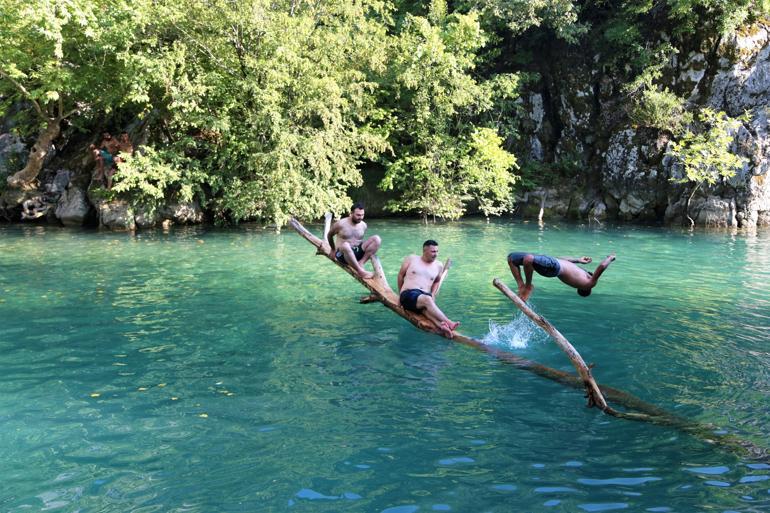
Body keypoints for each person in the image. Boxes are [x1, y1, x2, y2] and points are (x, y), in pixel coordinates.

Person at [397, 240, 460, 338]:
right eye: (433, 251)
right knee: (426, 299)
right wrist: (400, 293)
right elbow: (401, 275)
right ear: (424, 250)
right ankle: (449, 322)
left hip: (423, 299)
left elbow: (436, 281)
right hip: (408, 294)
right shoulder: (412, 259)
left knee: (427, 310)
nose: (436, 254)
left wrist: (433, 294)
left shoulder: (439, 265)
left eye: (437, 251)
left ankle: (442, 327)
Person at [507, 252, 616, 301]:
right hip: (554, 262)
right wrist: (578, 260)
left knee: (528, 259)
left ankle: (528, 286)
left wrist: (610, 258)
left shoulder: (589, 284)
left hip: (554, 268)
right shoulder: (578, 274)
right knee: (511, 258)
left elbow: (602, 266)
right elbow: (560, 259)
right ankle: (521, 286)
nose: (590, 273)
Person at [327, 202, 381, 279]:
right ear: (351, 213)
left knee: (377, 239)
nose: (361, 217)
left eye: (362, 215)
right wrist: (332, 249)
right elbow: (329, 235)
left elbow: (358, 240)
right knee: (346, 245)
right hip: (342, 255)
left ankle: (361, 262)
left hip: (357, 252)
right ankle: (360, 272)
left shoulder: (363, 225)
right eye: (358, 215)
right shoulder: (340, 224)